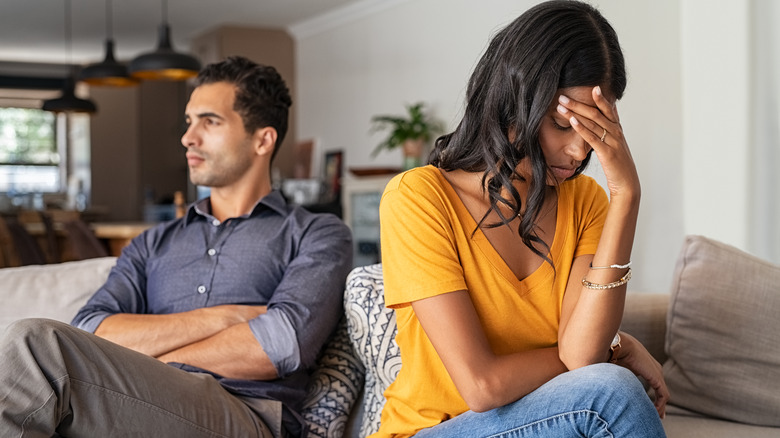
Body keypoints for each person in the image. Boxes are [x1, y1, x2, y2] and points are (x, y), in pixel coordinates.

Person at [0, 56, 353, 438]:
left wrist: (146, 360)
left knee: (36, 344)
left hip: (246, 414)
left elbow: (280, 342)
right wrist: (221, 318)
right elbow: (91, 327)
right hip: (138, 402)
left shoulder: (317, 233)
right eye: (189, 122)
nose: (188, 137)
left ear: (262, 139)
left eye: (209, 121)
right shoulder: (154, 243)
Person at [374, 2, 669, 437]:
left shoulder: (585, 201)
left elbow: (581, 356)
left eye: (594, 128)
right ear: (514, 101)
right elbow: (481, 386)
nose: (580, 151)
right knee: (611, 394)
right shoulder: (418, 198)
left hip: (539, 420)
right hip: (435, 430)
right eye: (560, 124)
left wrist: (627, 194)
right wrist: (611, 349)